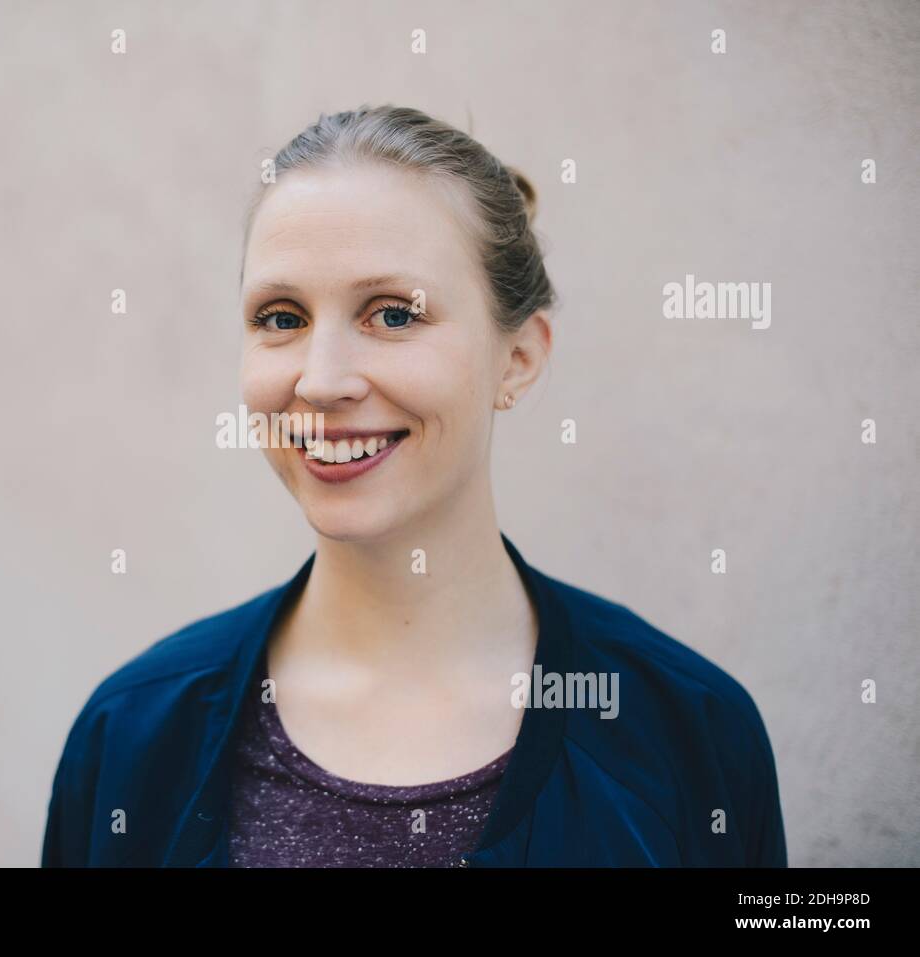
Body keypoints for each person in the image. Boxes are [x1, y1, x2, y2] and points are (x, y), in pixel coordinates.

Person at [41, 104, 787, 867]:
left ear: (519, 357)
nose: (322, 380)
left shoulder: (689, 732)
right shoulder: (130, 735)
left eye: (393, 314)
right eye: (281, 316)